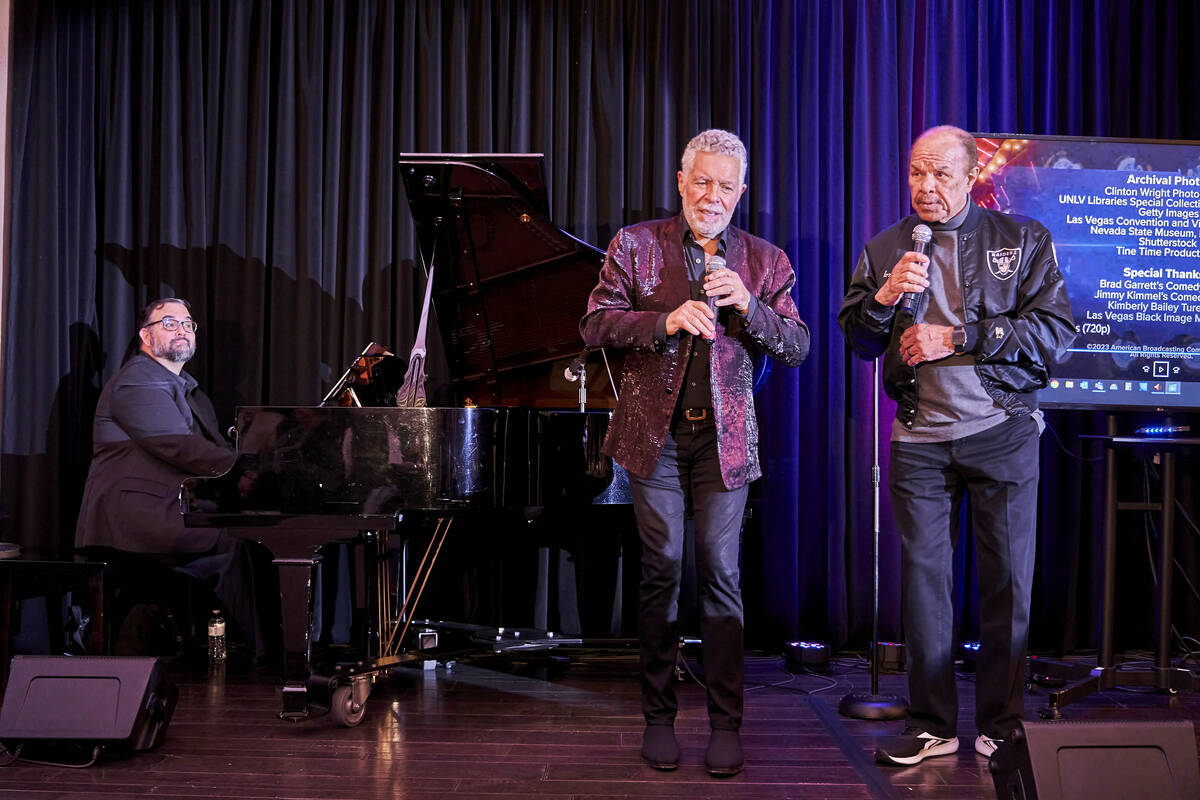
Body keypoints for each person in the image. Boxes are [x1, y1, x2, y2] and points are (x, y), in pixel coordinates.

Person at [838, 125, 1075, 765]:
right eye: (917, 172)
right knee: (923, 589)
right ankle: (933, 723)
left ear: (971, 176)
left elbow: (1054, 330)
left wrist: (961, 336)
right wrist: (884, 299)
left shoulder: (1021, 239)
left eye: (941, 174)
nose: (927, 186)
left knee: (1006, 586)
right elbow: (859, 341)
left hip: (1001, 430)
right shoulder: (887, 246)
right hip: (917, 439)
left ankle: (1003, 722)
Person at [580, 129, 810, 776]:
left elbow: (796, 346)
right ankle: (658, 717)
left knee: (721, 574)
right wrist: (663, 321)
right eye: (701, 181)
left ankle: (725, 722)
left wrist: (752, 310)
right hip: (651, 440)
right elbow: (594, 323)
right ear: (682, 181)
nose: (712, 196)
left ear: (741, 192)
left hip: (726, 443)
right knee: (662, 569)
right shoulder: (635, 245)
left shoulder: (766, 261)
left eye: (725, 186)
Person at [75, 297, 277, 660]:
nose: (181, 329)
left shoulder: (188, 390)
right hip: (136, 517)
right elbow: (179, 447)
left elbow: (206, 450)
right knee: (235, 544)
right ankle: (273, 658)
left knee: (260, 538)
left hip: (175, 507)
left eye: (187, 324)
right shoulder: (136, 380)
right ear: (145, 336)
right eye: (168, 323)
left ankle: (273, 650)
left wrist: (258, 462)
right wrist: (248, 466)